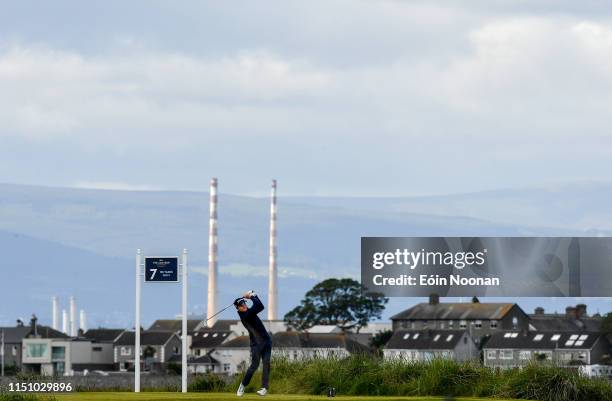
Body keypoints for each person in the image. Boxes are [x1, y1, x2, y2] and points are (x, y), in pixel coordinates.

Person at [235, 290, 272, 397]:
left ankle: (264, 388)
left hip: (266, 341)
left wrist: (254, 296)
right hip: (256, 344)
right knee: (254, 366)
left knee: (266, 364)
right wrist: (252, 295)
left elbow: (259, 305)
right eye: (242, 305)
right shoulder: (246, 315)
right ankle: (242, 385)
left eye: (244, 303)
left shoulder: (249, 312)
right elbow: (260, 306)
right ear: (238, 308)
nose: (244, 305)